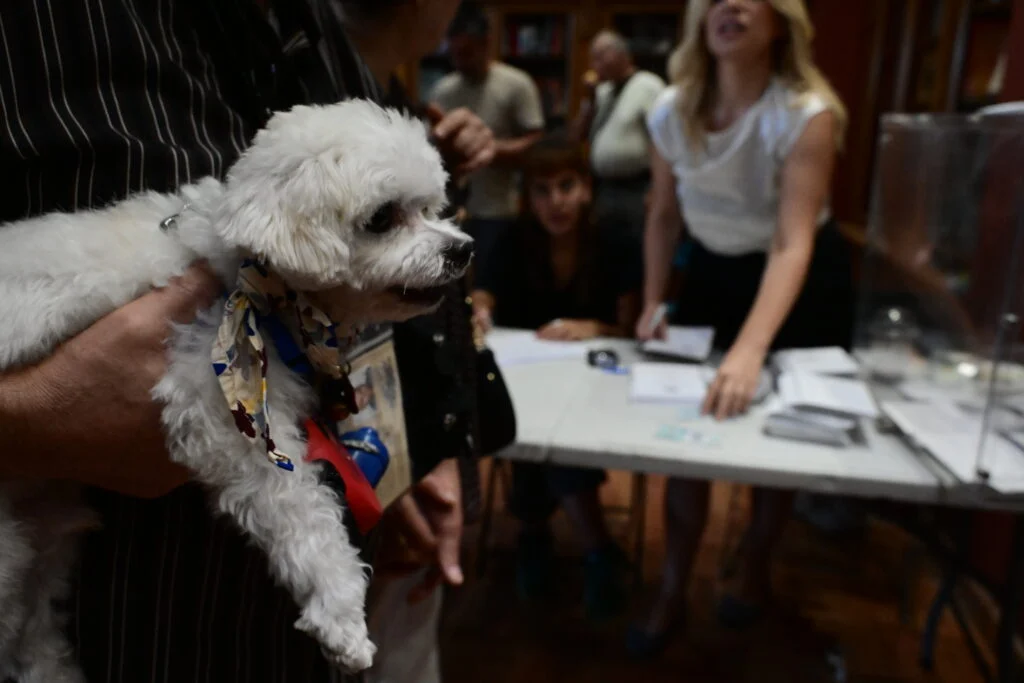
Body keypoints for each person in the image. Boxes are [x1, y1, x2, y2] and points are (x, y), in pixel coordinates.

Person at [0, 0, 492, 680]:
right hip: (115, 623)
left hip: (269, 633)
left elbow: (344, 287)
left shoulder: (316, 32)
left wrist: (403, 451)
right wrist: (27, 414)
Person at [629, 0, 854, 656]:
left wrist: (752, 348)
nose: (729, 4)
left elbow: (791, 242)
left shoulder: (806, 113)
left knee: (775, 447)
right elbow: (663, 215)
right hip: (712, 273)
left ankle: (756, 569)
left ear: (781, 21)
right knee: (688, 436)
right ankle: (673, 585)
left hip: (799, 279)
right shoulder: (670, 109)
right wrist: (652, 301)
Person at [472, 134, 640, 618]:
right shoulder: (513, 237)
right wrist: (481, 311)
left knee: (552, 439)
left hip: (599, 383)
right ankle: (591, 548)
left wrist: (595, 327)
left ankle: (539, 535)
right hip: (530, 376)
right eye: (542, 191)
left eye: (566, 187)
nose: (555, 202)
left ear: (586, 188)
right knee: (523, 423)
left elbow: (631, 327)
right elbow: (484, 294)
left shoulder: (615, 239)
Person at [431, 1, 546, 277]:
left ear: (486, 44)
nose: (460, 61)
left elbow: (538, 143)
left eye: (467, 53)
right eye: (455, 54)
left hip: (499, 209)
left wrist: (489, 150)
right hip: (452, 209)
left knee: (492, 283)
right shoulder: (444, 89)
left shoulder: (516, 84)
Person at [572, 30, 665, 248]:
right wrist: (589, 100)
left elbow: (661, 140)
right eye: (593, 57)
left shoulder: (648, 86)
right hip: (603, 189)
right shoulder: (603, 91)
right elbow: (577, 136)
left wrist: (656, 189)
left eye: (601, 55)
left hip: (636, 189)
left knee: (632, 250)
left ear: (624, 55)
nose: (596, 63)